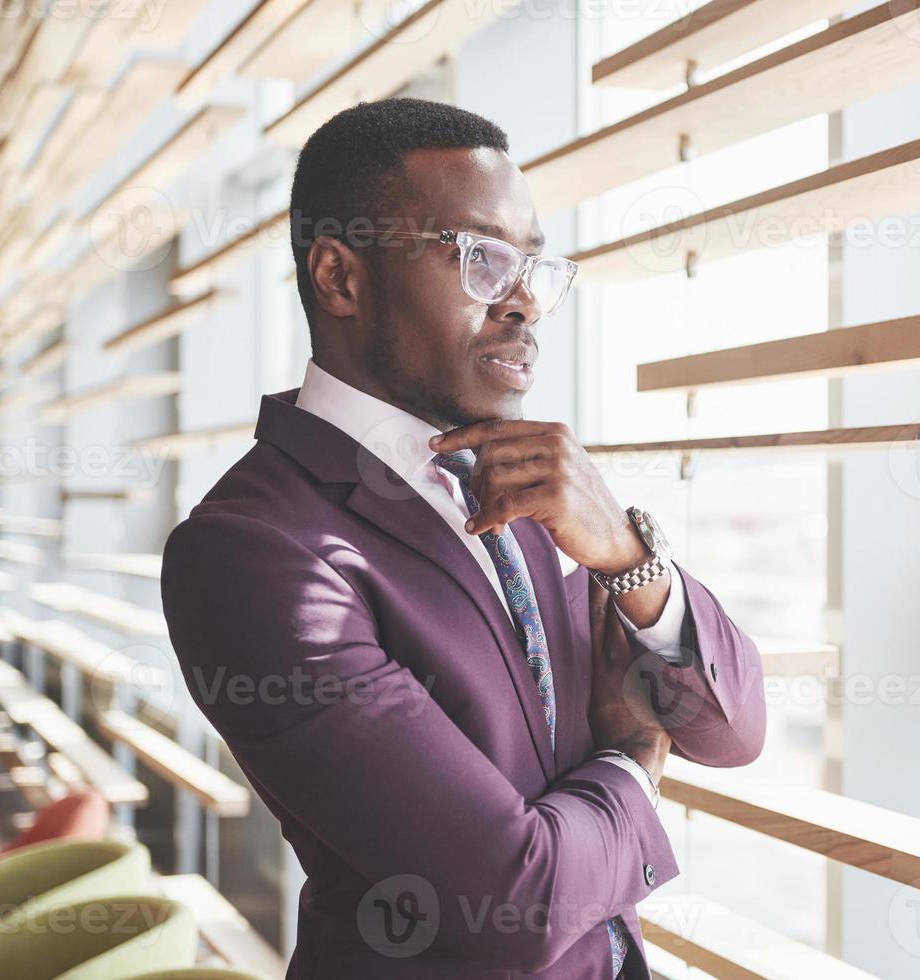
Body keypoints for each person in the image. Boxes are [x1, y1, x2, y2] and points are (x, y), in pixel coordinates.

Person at [159, 97, 766, 978]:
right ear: (339, 277)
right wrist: (633, 757)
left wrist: (629, 562)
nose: (523, 301)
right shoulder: (254, 549)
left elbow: (730, 729)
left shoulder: (527, 486)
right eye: (481, 257)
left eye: (531, 264)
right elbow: (518, 902)